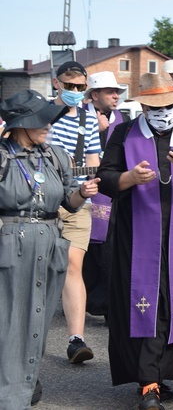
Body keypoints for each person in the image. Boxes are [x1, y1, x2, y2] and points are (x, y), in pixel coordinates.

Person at [97, 71, 173, 410]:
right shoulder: (124, 132)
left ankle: (158, 374)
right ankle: (148, 381)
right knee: (147, 300)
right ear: (143, 107)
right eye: (153, 106)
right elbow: (105, 179)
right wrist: (128, 177)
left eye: (168, 105)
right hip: (136, 237)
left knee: (172, 300)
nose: (161, 112)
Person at [0, 90, 100, 408]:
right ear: (21, 124)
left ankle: (24, 387)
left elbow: (68, 203)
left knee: (38, 324)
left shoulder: (55, 155)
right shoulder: (2, 156)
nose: (48, 125)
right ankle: (10, 394)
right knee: (11, 323)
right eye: (41, 120)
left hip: (50, 243)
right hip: (12, 247)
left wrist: (83, 192)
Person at [48, 60, 102, 364]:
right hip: (43, 200)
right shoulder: (43, 113)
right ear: (57, 83)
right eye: (70, 86)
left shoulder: (87, 116)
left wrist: (80, 172)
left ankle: (75, 339)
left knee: (72, 264)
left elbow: (93, 161)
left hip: (79, 199)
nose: (76, 92)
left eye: (81, 88)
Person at [82, 71, 127, 319]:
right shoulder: (81, 117)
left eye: (117, 92)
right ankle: (87, 301)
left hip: (112, 194)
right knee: (88, 253)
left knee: (111, 251)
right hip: (84, 192)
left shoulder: (123, 119)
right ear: (94, 94)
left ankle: (110, 304)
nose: (115, 96)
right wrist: (98, 131)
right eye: (110, 91)